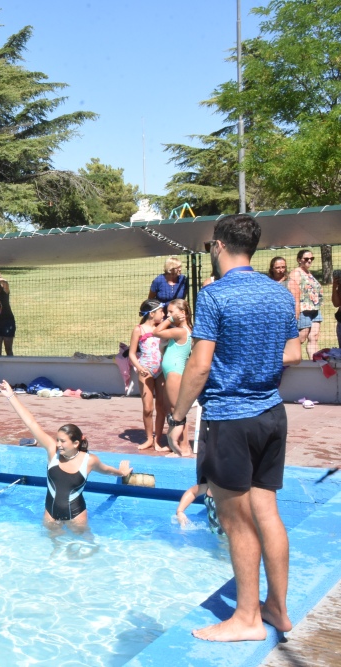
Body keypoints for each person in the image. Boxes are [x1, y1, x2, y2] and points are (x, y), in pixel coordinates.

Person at [167, 213, 301, 642]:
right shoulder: (279, 294)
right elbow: (294, 353)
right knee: (268, 513)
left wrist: (177, 416)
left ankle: (246, 619)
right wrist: (254, 363)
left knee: (237, 521)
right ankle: (277, 610)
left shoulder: (215, 296)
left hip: (230, 418)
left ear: (219, 246)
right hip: (271, 416)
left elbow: (200, 364)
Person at [0, 380, 132, 531]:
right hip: (51, 514)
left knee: (82, 550)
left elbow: (106, 470)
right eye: (57, 440)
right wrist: (10, 396)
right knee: (53, 552)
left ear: (75, 443)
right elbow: (31, 423)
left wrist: (122, 472)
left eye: (63, 441)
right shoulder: (52, 451)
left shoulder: (88, 460)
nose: (58, 444)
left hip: (76, 516)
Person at [152, 298, 193, 457]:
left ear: (182, 313)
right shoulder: (182, 330)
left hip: (175, 372)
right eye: (167, 312)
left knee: (177, 410)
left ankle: (183, 448)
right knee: (175, 409)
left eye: (171, 312)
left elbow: (155, 332)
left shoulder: (181, 331)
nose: (167, 315)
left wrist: (169, 320)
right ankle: (183, 446)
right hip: (173, 371)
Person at [129, 299, 167, 452]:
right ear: (152, 314)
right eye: (161, 312)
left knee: (161, 407)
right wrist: (139, 367)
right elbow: (131, 353)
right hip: (146, 370)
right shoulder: (139, 329)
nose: (164, 314)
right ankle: (149, 439)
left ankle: (158, 440)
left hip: (162, 370)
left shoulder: (162, 328)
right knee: (148, 408)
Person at [288, 248, 323, 359]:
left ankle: (316, 363)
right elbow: (292, 293)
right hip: (303, 310)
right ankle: (291, 357)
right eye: (306, 259)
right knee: (301, 338)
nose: (309, 261)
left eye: (311, 258)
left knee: (314, 337)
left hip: (315, 309)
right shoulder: (296, 273)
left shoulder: (308, 273)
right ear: (299, 260)